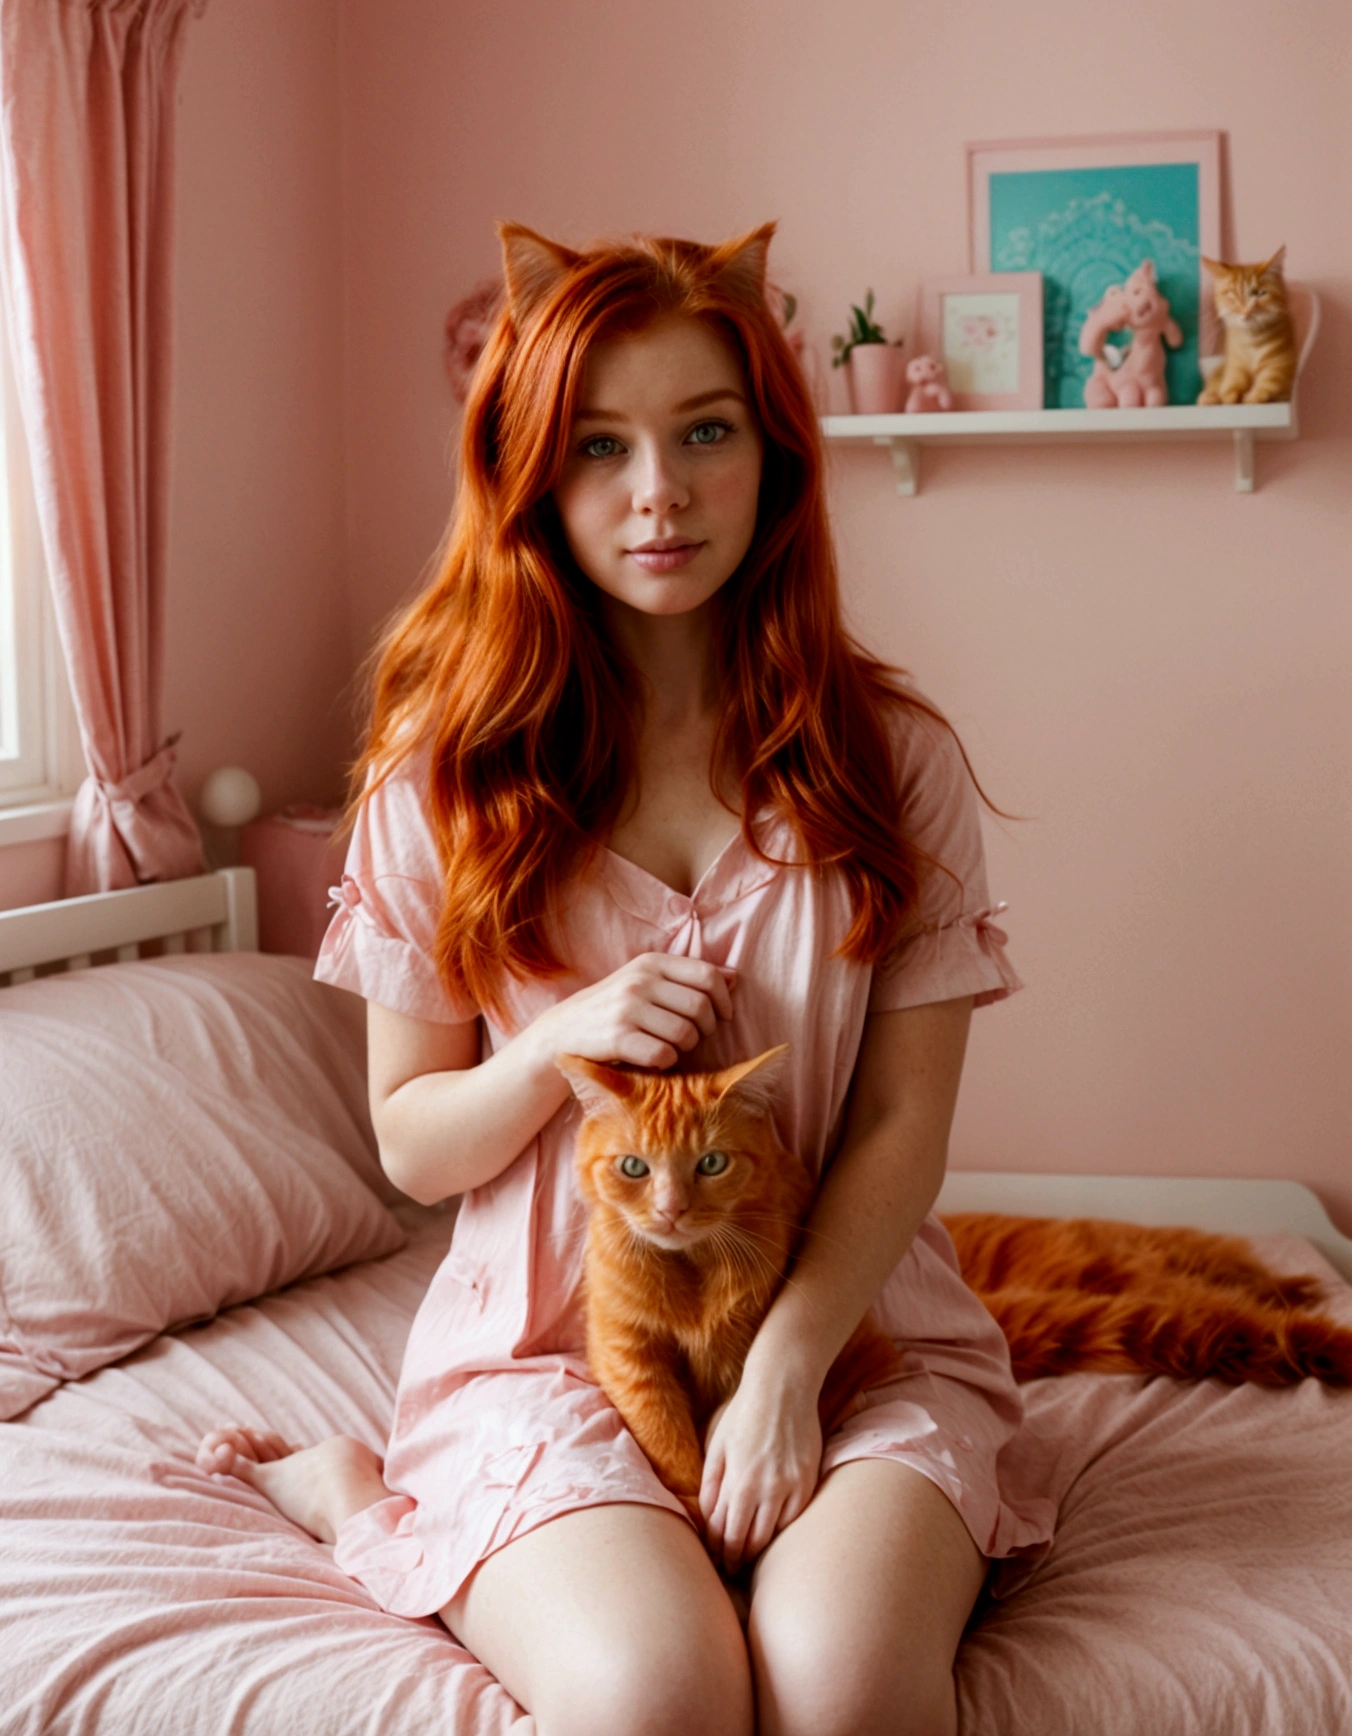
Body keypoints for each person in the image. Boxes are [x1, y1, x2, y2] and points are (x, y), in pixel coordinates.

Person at [198, 220, 1054, 1736]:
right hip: (548, 1359)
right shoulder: (440, 783)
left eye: (703, 432)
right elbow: (413, 1142)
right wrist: (553, 1048)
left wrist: (789, 1369)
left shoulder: (887, 761)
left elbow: (902, 1130)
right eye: (600, 445)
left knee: (847, 1687)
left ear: (772, 456)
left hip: (850, 1336)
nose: (656, 492)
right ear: (534, 472)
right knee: (658, 1693)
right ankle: (361, 1497)